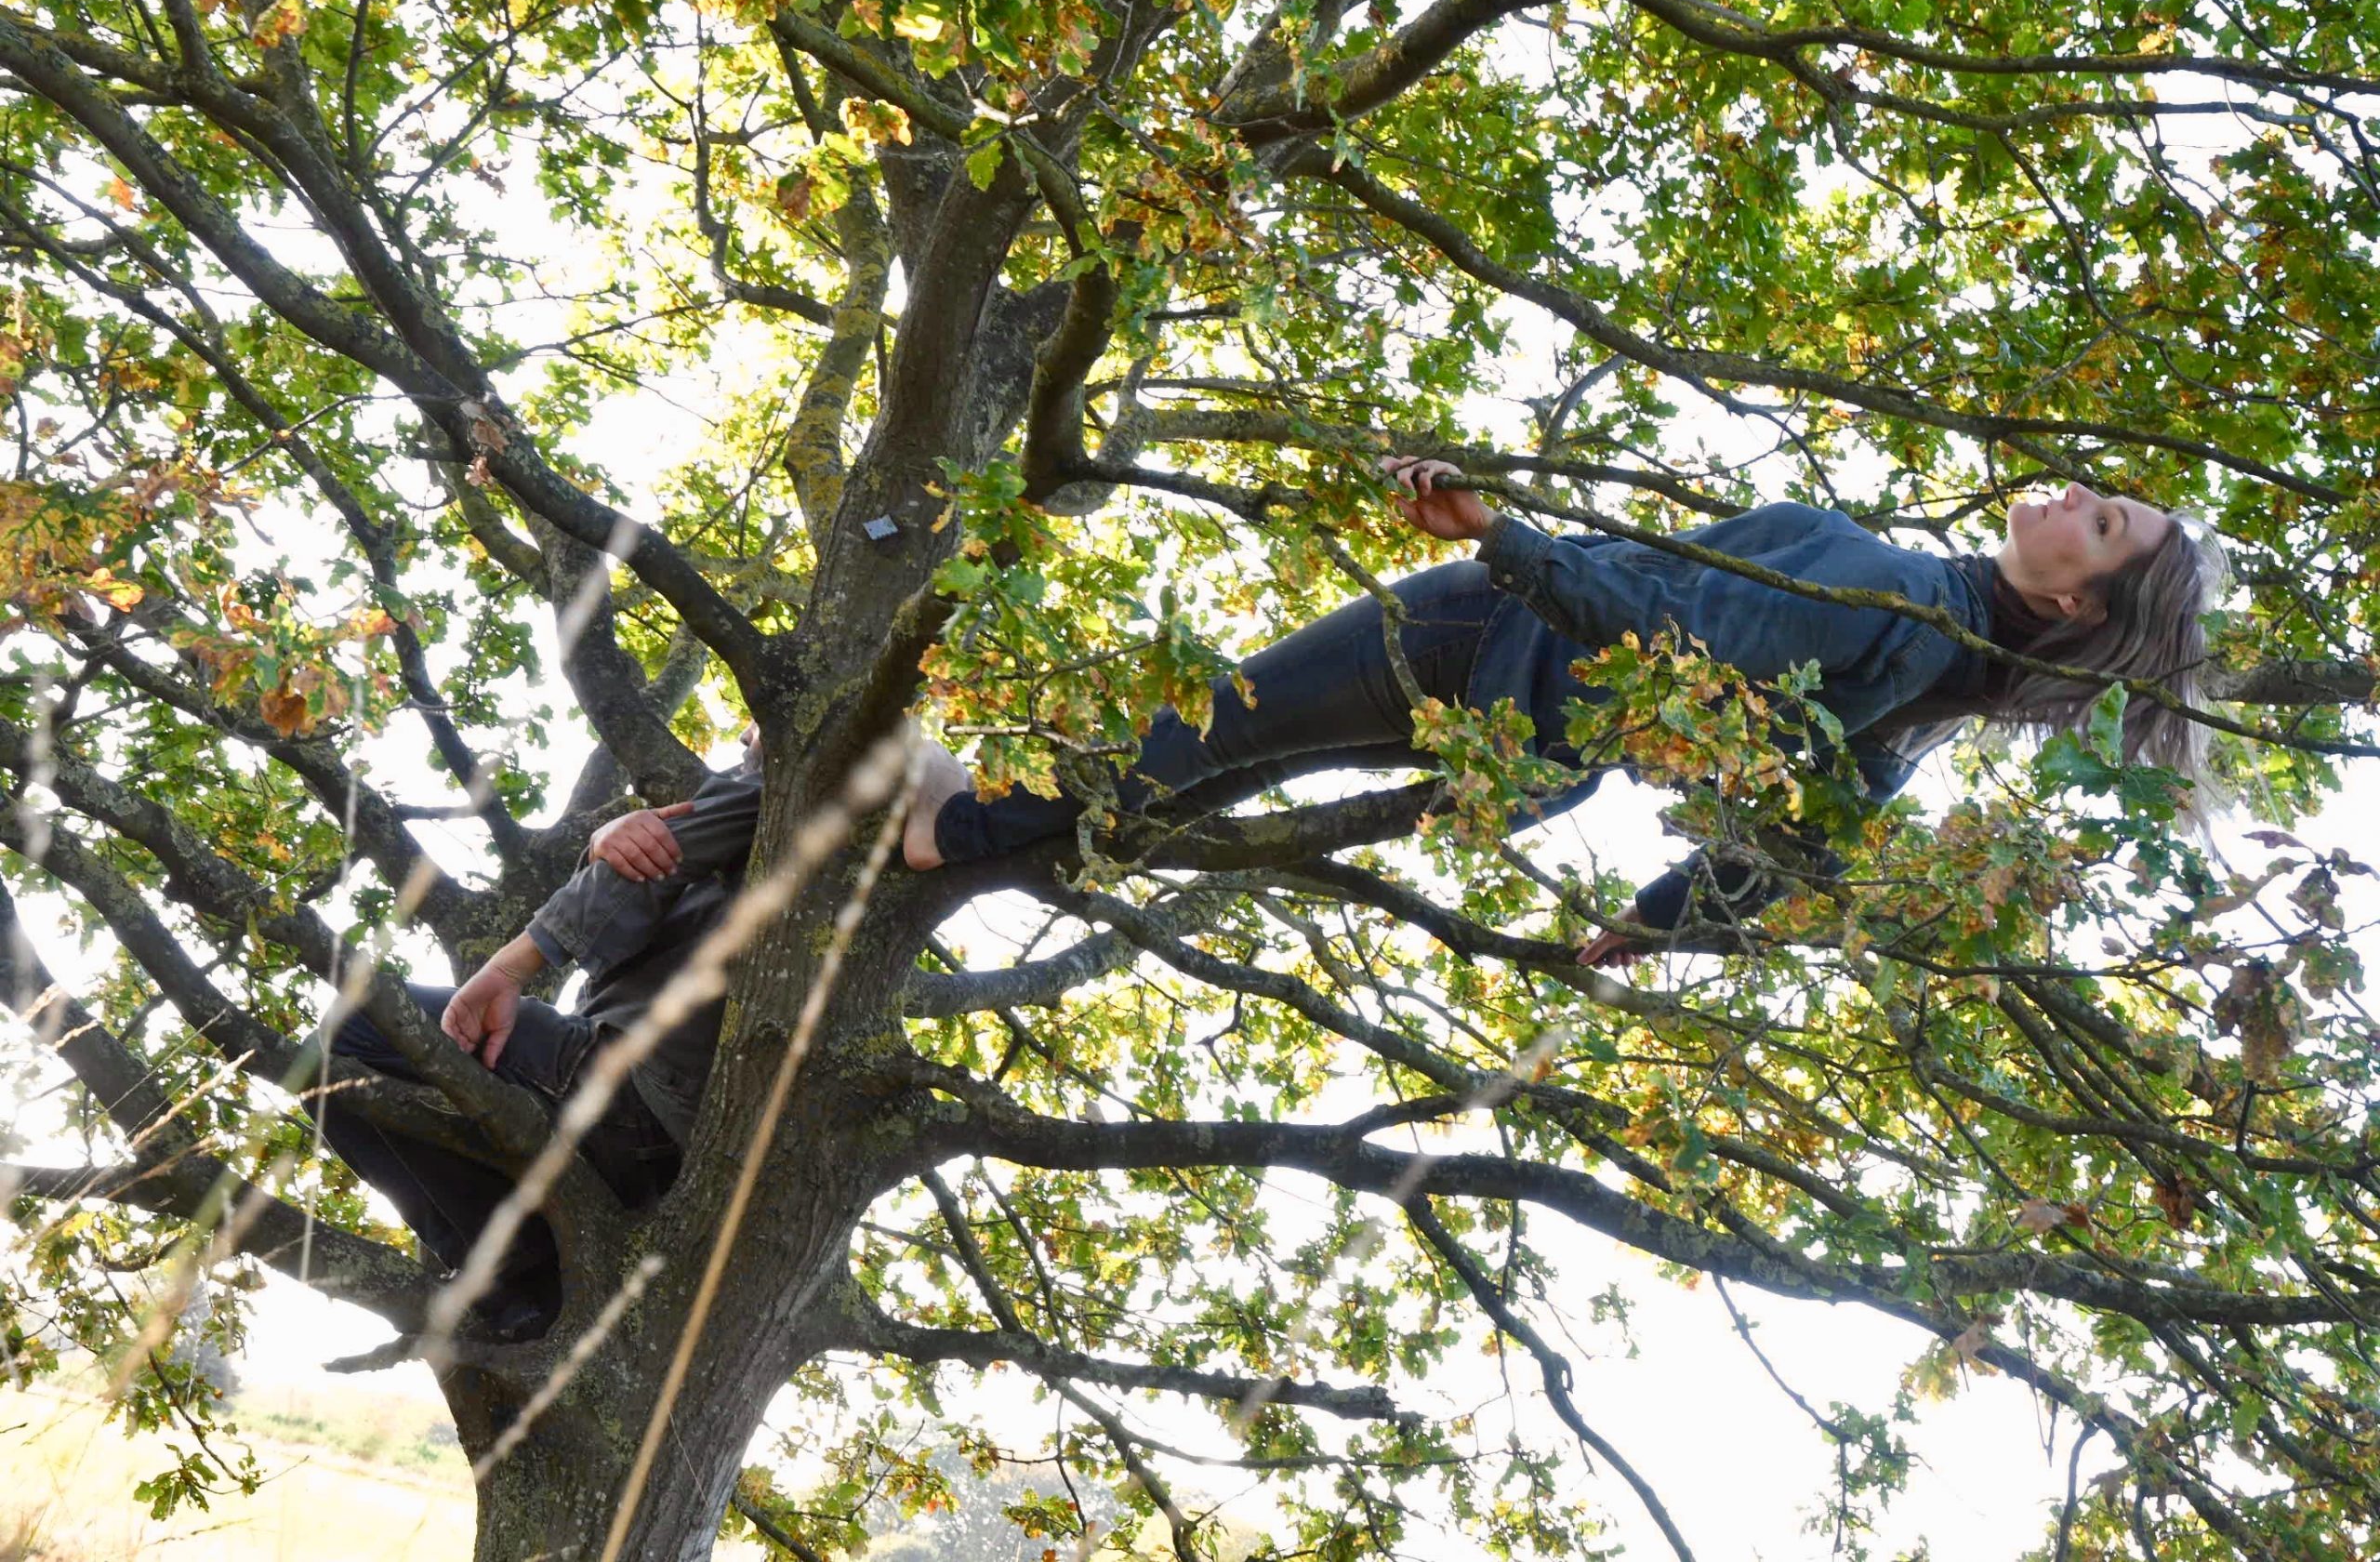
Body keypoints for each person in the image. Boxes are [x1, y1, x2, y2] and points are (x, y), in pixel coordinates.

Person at [901, 458, 2228, 967]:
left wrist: (1501, 540)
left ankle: (952, 831)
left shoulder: (1881, 582)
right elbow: (1804, 842)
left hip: (1489, 635)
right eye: (2098, 489)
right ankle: (1018, 839)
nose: (2070, 495)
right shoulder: (1915, 702)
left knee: (1217, 721)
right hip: (1520, 758)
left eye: (2101, 520)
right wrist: (1644, 925)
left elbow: (1670, 641)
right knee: (1229, 757)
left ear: (2075, 610)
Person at [319, 730, 764, 1341]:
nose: (743, 732)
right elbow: (622, 933)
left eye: (756, 724)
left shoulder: (797, 780)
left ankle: (520, 1272)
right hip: (633, 1113)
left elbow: (668, 853)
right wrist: (603, 848)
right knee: (332, 1080)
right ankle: (518, 1271)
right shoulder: (745, 843)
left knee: (355, 1029)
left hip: (634, 1094)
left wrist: (506, 969)